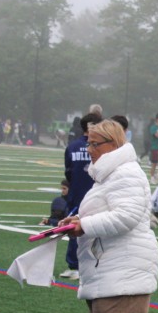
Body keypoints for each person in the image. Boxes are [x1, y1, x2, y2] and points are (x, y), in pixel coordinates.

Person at [57, 119, 158, 313]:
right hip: (106, 263)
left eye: (94, 144)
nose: (88, 149)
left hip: (125, 264)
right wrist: (78, 220)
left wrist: (85, 225)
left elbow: (126, 216)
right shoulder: (108, 174)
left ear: (112, 144)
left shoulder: (126, 173)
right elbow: (107, 210)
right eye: (88, 142)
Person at [61, 112, 101, 280]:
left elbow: (68, 171)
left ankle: (78, 265)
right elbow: (69, 171)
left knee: (80, 229)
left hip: (83, 194)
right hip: (87, 194)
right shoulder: (79, 146)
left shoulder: (75, 146)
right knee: (80, 229)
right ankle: (78, 265)